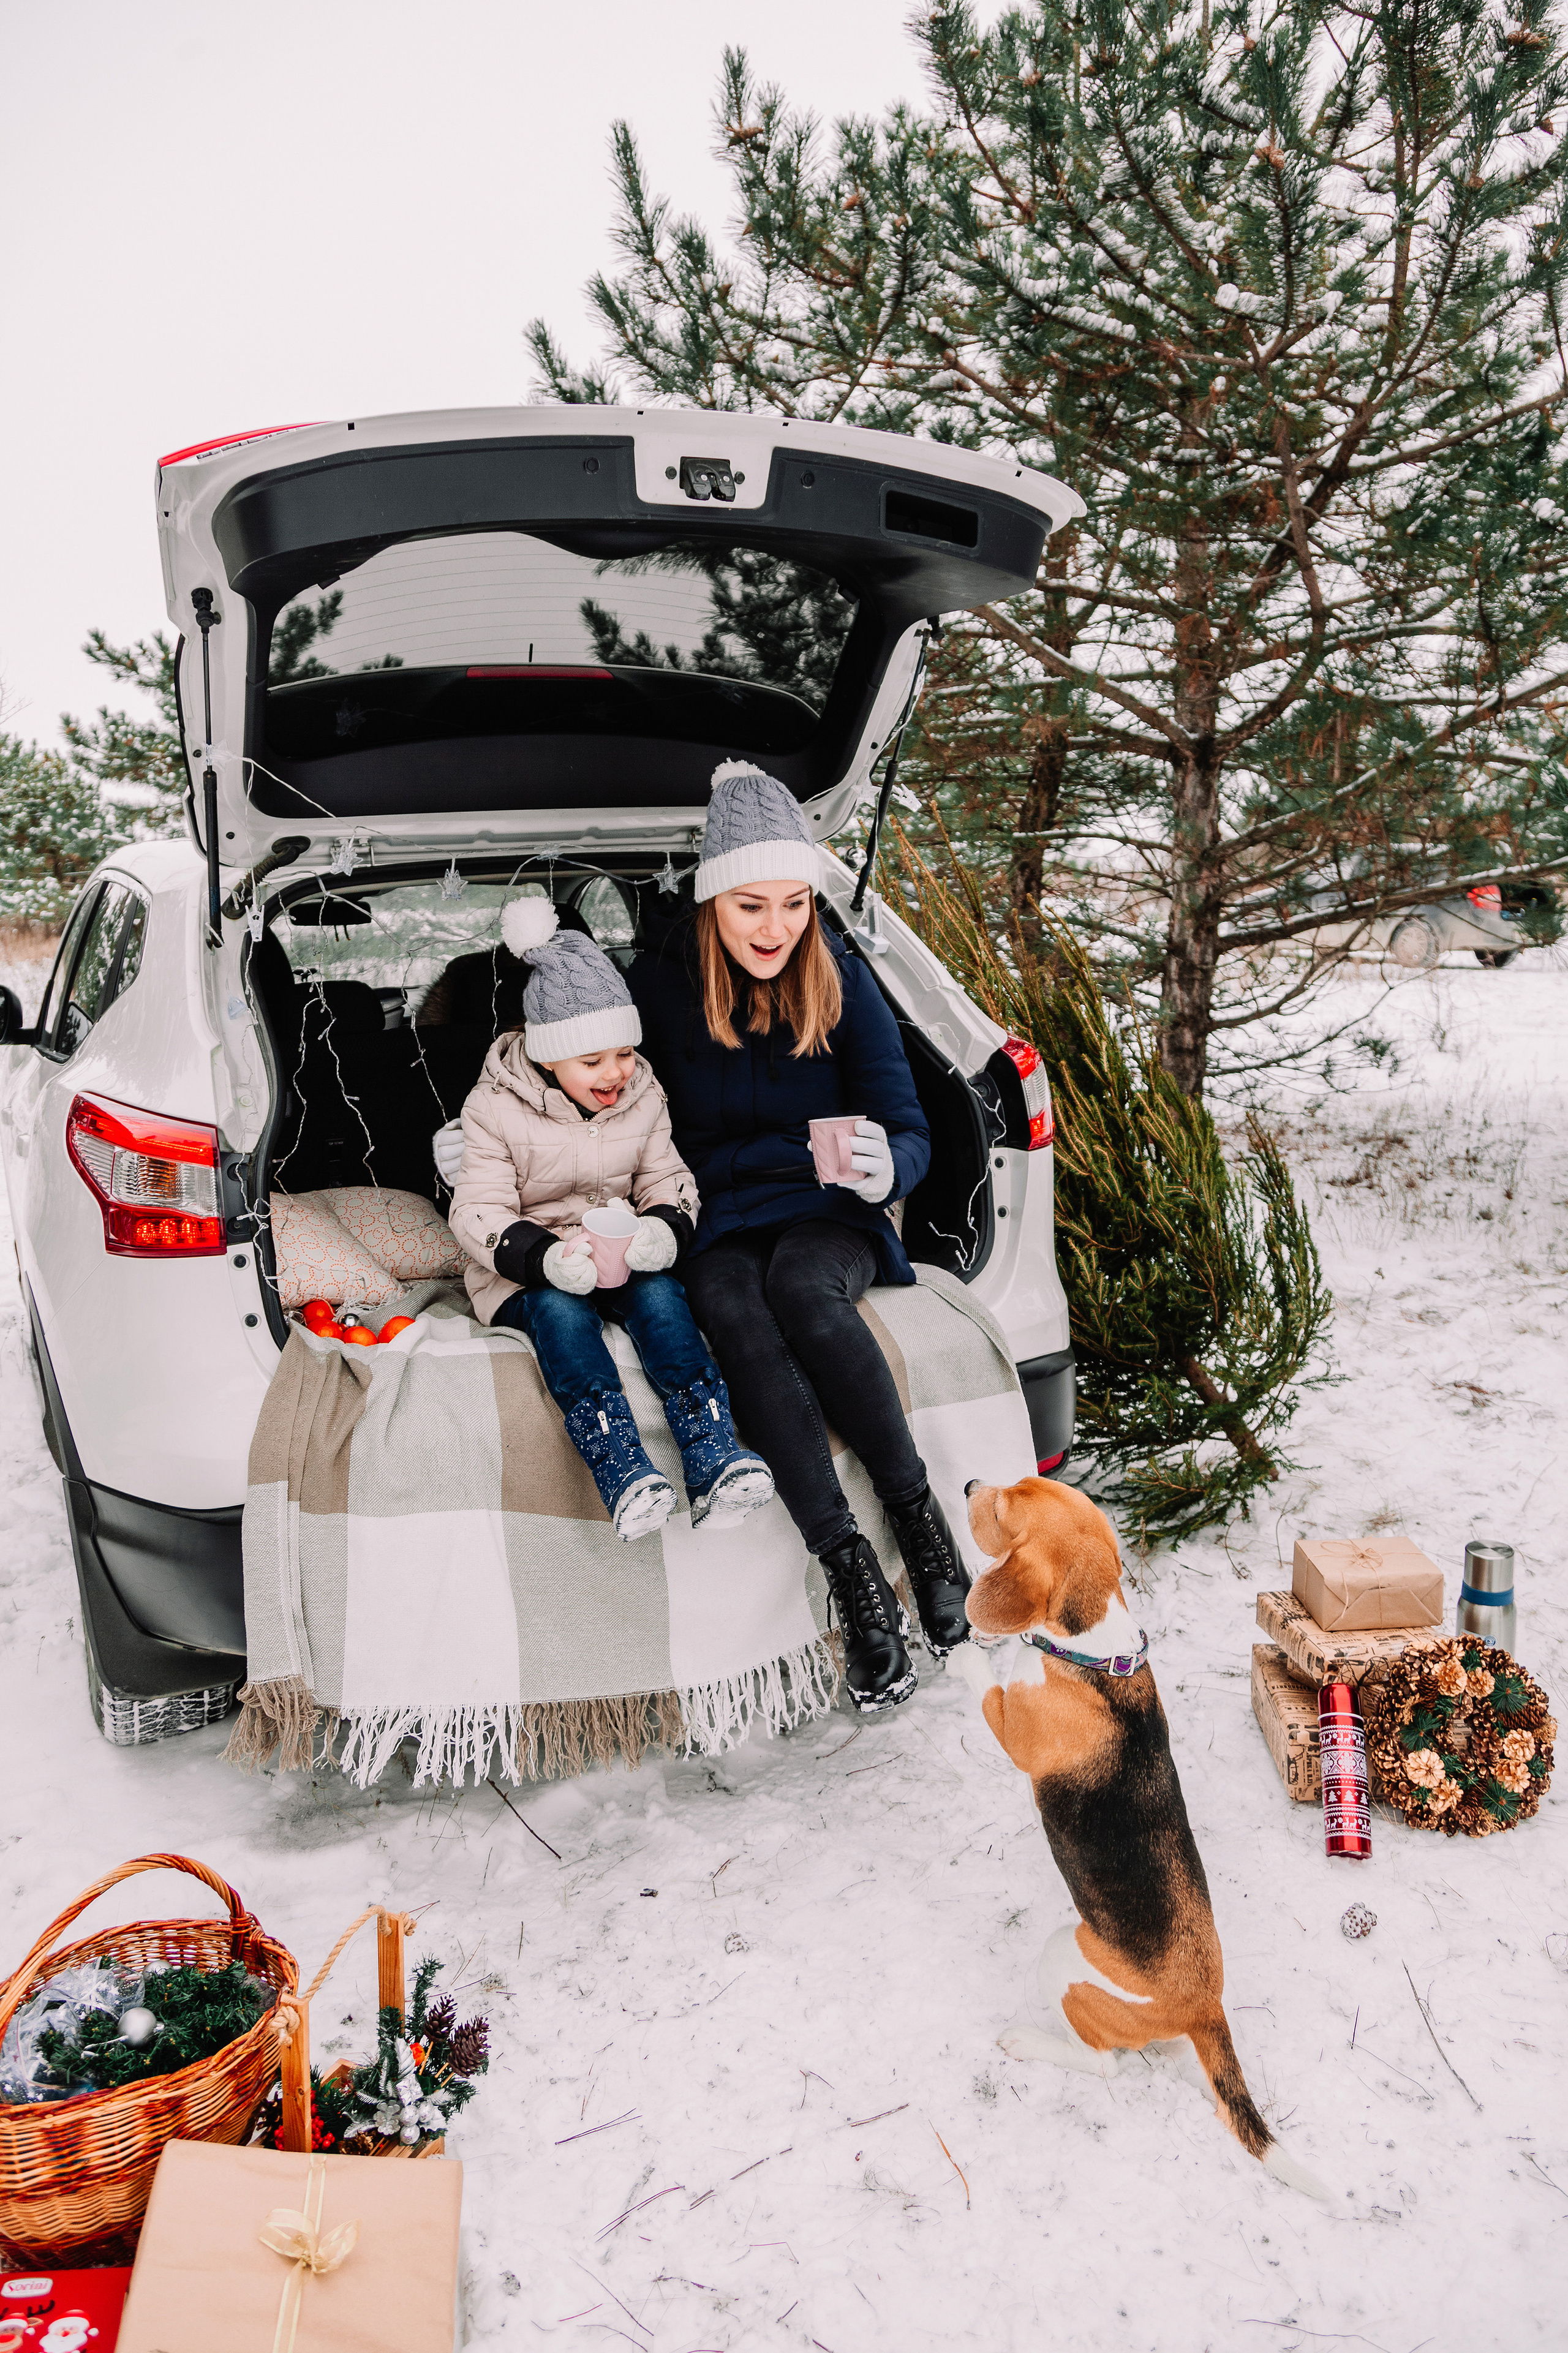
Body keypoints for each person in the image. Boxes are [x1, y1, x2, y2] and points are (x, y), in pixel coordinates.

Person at [628, 761, 973, 1712]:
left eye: (792, 903)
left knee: (802, 1292)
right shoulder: (656, 992)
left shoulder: (843, 981)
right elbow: (589, 1084)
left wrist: (886, 1166)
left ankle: (919, 1523)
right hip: (713, 1216)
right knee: (736, 1309)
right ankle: (853, 1575)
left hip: (829, 1209)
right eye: (750, 906)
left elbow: (910, 1125)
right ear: (709, 905)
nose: (776, 928)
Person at [446, 897, 774, 1543]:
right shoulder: (492, 1106)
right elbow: (476, 1210)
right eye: (592, 1061)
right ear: (547, 1058)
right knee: (561, 1313)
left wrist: (661, 1229)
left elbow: (667, 1177)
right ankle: (620, 1465)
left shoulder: (643, 1093)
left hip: (616, 1253)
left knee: (660, 1296)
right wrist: (541, 1257)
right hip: (526, 1269)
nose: (616, 1074)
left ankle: (711, 1451)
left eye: (624, 1053)